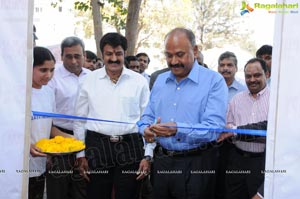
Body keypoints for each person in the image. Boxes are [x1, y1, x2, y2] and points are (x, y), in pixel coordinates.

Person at [138, 27, 228, 198]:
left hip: (196, 164)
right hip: (162, 162)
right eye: (168, 55)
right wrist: (146, 130)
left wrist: (178, 128)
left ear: (195, 50)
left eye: (180, 55)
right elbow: (147, 117)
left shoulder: (214, 81)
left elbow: (214, 128)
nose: (173, 61)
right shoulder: (160, 81)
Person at [74, 32, 151, 199]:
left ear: (124, 53)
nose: (114, 58)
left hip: (131, 148)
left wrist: (148, 155)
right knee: (96, 194)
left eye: (119, 54)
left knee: (128, 194)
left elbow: (148, 120)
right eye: (109, 54)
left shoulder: (139, 82)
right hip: (97, 148)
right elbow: (79, 121)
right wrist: (80, 155)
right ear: (103, 54)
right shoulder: (88, 81)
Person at [218, 58, 270, 199]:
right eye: (248, 76)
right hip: (236, 160)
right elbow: (228, 125)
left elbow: (270, 130)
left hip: (261, 163)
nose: (252, 79)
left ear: (267, 74)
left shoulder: (275, 101)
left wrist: (234, 131)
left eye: (257, 75)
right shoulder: (236, 99)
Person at [47, 36, 90, 199]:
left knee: (82, 188)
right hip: (59, 138)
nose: (73, 61)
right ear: (61, 56)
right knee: (58, 189)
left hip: (86, 139)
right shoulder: (53, 77)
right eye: (68, 56)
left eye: (77, 56)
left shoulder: (92, 77)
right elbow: (46, 115)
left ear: (84, 55)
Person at [30, 46, 72, 199]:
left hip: (40, 163)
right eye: (43, 70)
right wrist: (26, 145)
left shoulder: (48, 92)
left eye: (52, 70)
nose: (48, 75)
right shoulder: (16, 93)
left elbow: (49, 127)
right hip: (16, 164)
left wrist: (70, 139)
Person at [215, 51, 246, 199]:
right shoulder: (211, 88)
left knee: (230, 181)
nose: (225, 68)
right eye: (222, 65)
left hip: (235, 143)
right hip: (211, 141)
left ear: (236, 68)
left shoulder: (244, 90)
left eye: (229, 65)